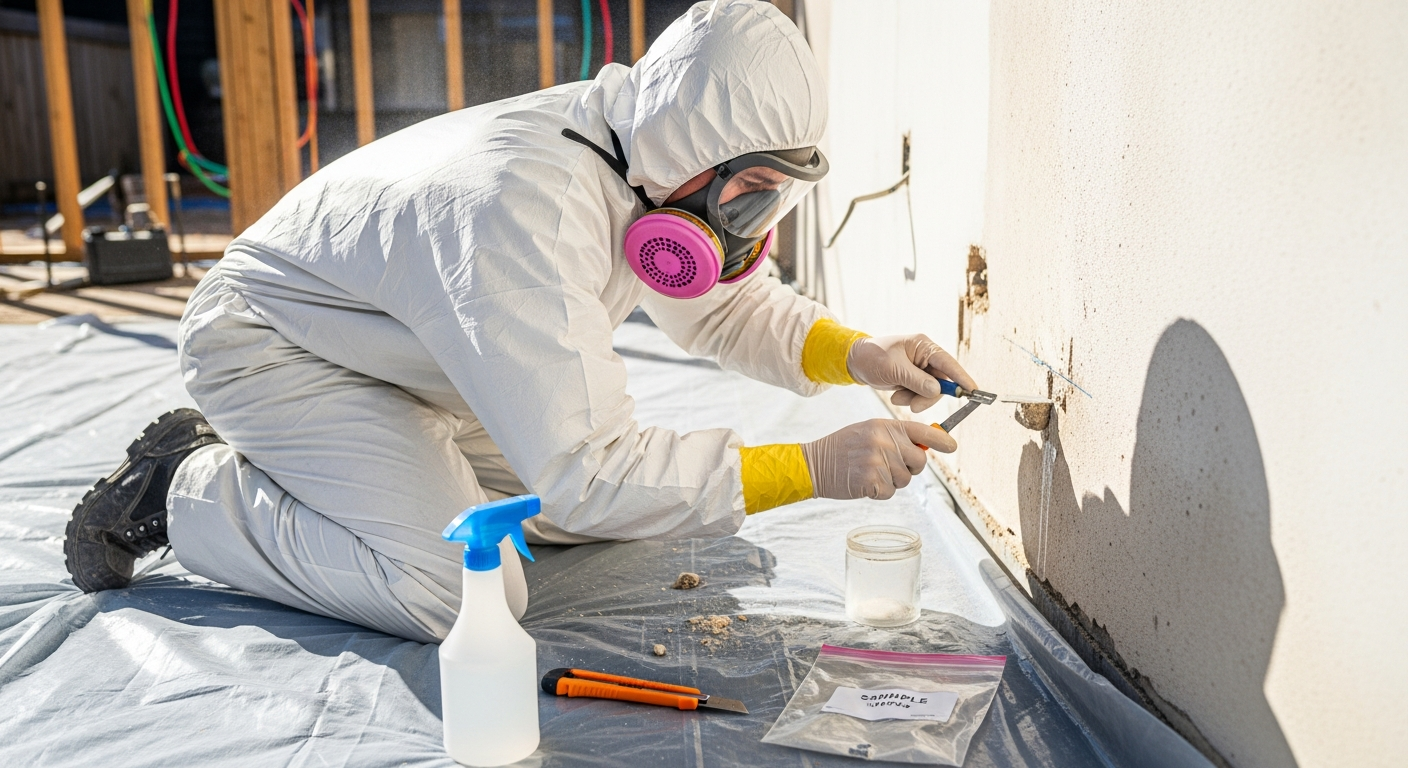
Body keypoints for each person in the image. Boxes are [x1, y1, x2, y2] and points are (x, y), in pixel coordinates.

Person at [63, 0, 976, 644]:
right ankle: (184, 488)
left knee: (573, 515)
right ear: (696, 151)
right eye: (750, 194)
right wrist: (813, 467)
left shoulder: (636, 153)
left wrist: (860, 353)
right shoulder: (528, 213)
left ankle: (350, 468)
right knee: (458, 592)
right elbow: (588, 472)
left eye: (773, 198)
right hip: (274, 345)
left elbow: (724, 304)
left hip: (406, 359)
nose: (748, 231)